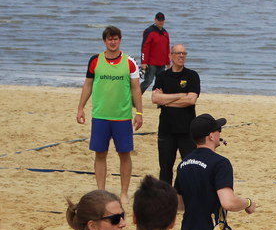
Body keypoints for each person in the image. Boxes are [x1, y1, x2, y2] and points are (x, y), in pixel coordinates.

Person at [76, 26, 144, 198]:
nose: (112, 42)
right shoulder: (95, 60)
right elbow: (88, 85)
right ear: (104, 41)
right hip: (100, 116)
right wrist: (80, 108)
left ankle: (124, 193)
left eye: (115, 39)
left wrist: (139, 113)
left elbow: (136, 88)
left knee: (124, 154)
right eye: (109, 39)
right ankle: (101, 191)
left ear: (120, 40)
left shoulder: (129, 62)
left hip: (122, 117)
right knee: (100, 154)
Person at [151, 44, 200, 184]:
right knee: (165, 168)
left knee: (189, 167)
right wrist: (180, 95)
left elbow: (191, 100)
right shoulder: (162, 76)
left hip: (187, 129)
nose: (181, 56)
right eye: (178, 53)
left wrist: (165, 101)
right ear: (170, 56)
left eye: (184, 53)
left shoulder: (192, 75)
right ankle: (165, 196)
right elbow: (155, 99)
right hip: (166, 129)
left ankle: (187, 194)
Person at [138, 12, 170, 93]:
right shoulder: (149, 31)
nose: (160, 22)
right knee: (148, 81)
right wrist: (144, 62)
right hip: (151, 63)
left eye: (162, 20)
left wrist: (168, 62)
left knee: (161, 83)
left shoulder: (165, 33)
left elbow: (167, 48)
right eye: (159, 20)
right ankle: (135, 96)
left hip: (162, 63)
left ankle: (158, 99)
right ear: (155, 20)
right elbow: (144, 47)